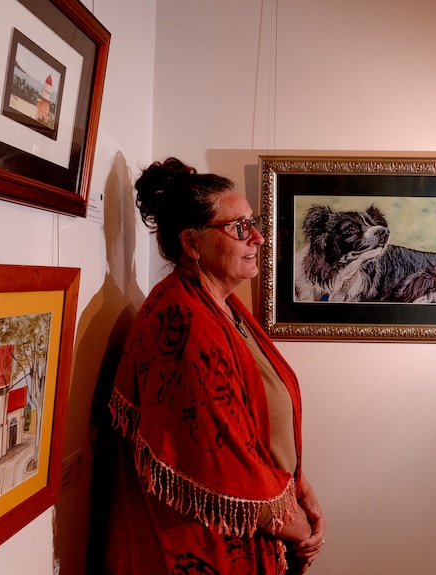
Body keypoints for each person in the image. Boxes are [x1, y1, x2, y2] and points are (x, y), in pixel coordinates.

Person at [98, 157, 326, 574]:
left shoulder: (222, 306)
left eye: (253, 223)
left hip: (261, 523)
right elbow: (223, 464)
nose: (257, 237)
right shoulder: (184, 322)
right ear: (191, 242)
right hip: (207, 546)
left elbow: (259, 432)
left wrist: (301, 491)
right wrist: (301, 528)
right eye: (240, 228)